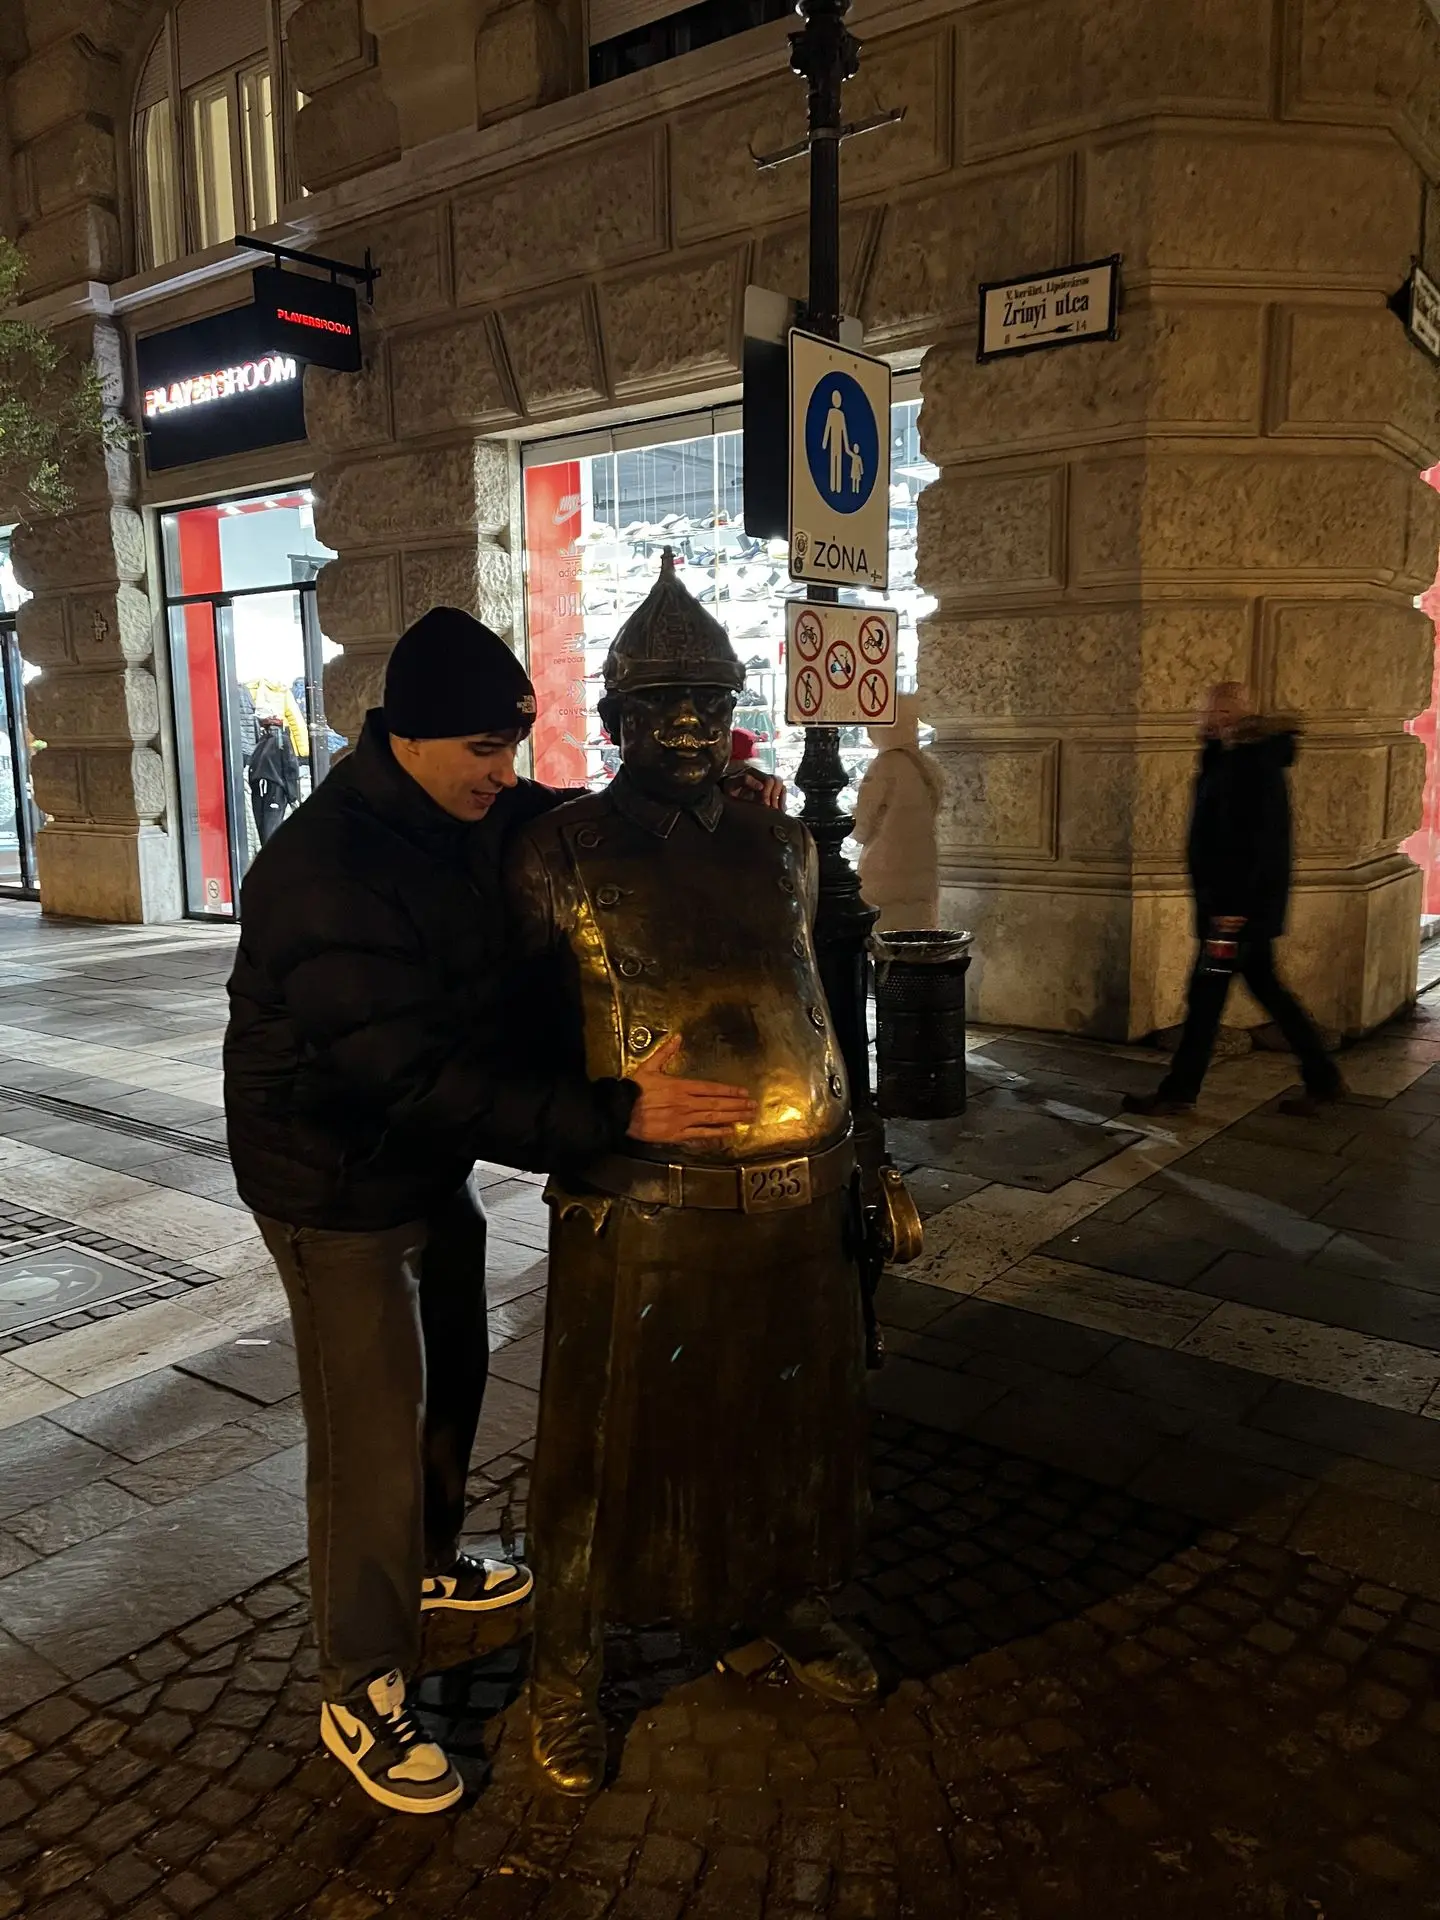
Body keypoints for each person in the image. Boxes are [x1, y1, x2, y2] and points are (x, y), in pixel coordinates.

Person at [224, 607, 753, 1816]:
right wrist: (614, 1114)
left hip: (422, 1159)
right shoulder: (323, 873)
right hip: (335, 1178)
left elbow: (575, 818)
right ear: (408, 737)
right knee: (369, 1417)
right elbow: (412, 1077)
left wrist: (696, 823)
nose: (503, 776)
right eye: (481, 751)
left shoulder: (479, 813)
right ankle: (360, 1682)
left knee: (453, 1362)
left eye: (512, 749)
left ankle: (431, 1561)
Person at [508, 552, 875, 1800]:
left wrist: (863, 1154)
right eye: (661, 706)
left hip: (796, 1195)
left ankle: (777, 1599)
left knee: (789, 1422)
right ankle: (568, 1663)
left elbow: (827, 1007)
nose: (688, 726)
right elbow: (508, 1042)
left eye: (708, 704)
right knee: (603, 1454)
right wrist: (596, 1112)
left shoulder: (784, 847)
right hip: (640, 1203)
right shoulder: (560, 852)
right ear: (610, 722)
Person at [1124, 682, 1342, 1118]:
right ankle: (1322, 1077)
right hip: (1235, 910)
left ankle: (1179, 1092)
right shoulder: (1228, 759)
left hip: (1233, 912)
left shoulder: (1249, 764)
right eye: (1209, 711)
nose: (1211, 719)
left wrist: (1230, 910)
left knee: (1205, 998)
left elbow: (1253, 845)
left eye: (1223, 712)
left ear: (1241, 717)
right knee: (1262, 989)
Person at [852, 691, 943, 931]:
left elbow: (862, 826)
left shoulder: (884, 765)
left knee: (884, 939)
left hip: (885, 868)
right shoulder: (929, 764)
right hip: (924, 863)